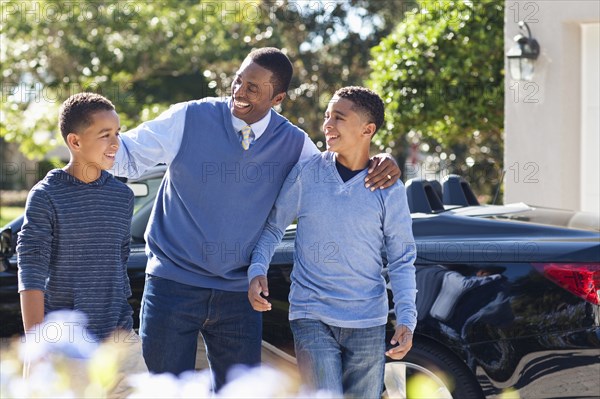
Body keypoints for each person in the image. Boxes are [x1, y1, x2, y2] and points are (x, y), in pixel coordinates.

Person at [110, 47, 401, 390]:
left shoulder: (293, 143)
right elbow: (126, 157)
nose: (239, 92)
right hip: (173, 285)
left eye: (253, 88)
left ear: (277, 97)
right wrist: (90, 139)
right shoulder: (189, 118)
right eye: (238, 81)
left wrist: (381, 159)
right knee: (166, 392)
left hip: (240, 295)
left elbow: (335, 172)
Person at [248, 86, 417, 397]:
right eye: (327, 116)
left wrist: (407, 317)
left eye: (339, 117)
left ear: (367, 130)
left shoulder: (389, 189)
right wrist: (256, 269)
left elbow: (402, 257)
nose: (327, 124)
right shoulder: (307, 174)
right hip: (311, 313)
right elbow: (273, 227)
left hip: (368, 318)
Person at [17, 92, 147, 397]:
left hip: (119, 340)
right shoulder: (46, 196)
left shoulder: (122, 197)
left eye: (117, 133)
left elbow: (118, 264)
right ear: (75, 142)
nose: (115, 143)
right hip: (65, 346)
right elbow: (31, 273)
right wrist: (39, 348)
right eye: (105, 135)